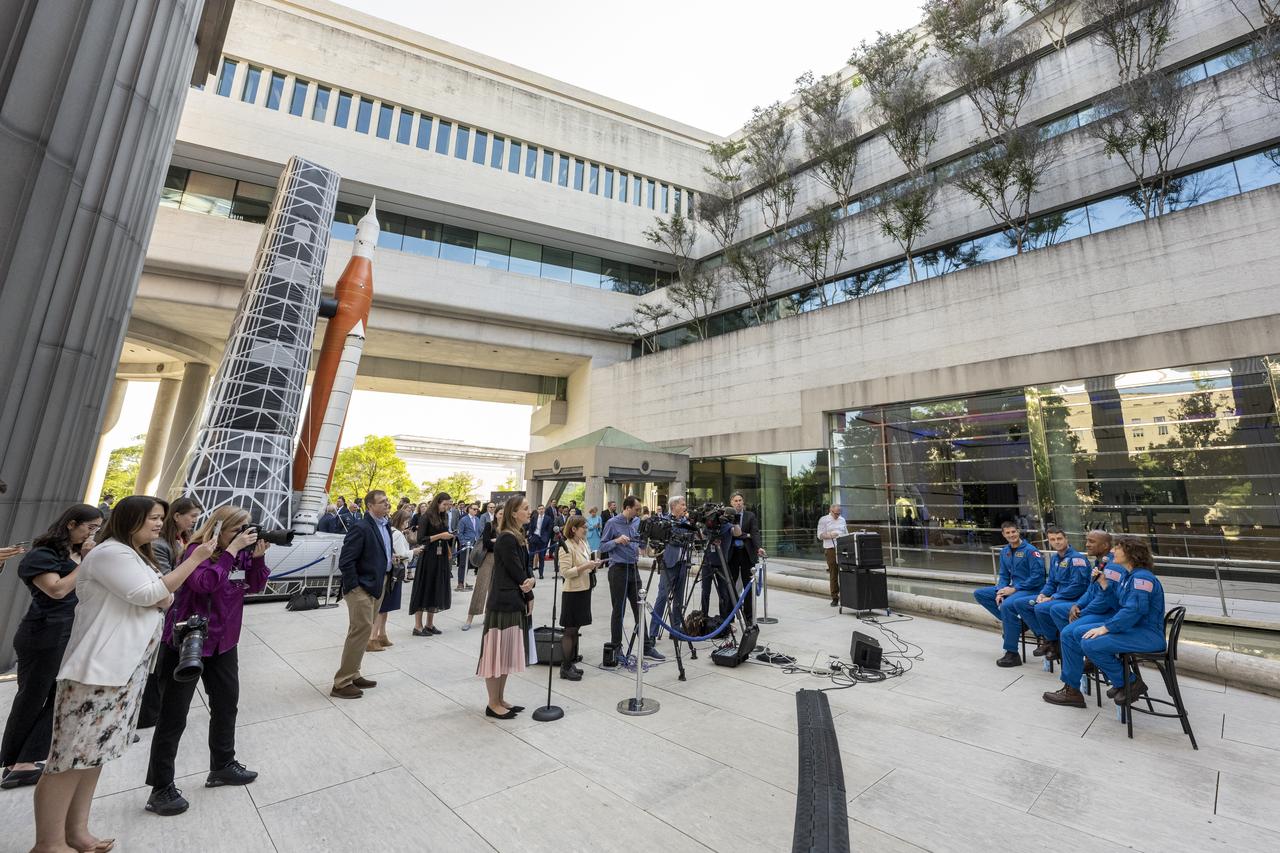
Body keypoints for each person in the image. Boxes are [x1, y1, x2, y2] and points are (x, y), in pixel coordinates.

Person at [31, 496, 202, 853]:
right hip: (96, 671)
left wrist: (160, 592)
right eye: (154, 518)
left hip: (123, 671)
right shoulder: (111, 553)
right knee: (69, 759)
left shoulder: (136, 554)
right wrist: (195, 560)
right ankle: (49, 843)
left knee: (94, 756)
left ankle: (76, 832)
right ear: (131, 519)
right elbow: (153, 594)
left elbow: (164, 598)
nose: (160, 524)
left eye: (161, 518)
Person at [145, 505, 270, 816]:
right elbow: (203, 584)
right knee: (174, 716)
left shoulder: (241, 554)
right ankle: (160, 788)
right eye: (236, 530)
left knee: (227, 705)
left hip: (224, 644)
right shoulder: (195, 552)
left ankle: (223, 765)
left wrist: (256, 559)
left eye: (246, 529)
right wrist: (229, 554)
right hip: (189, 642)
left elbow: (254, 586)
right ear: (218, 529)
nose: (243, 536)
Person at [1, 505, 103, 791]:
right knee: (32, 696)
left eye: (97, 529)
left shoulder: (74, 554)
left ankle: (31, 755)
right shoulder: (43, 555)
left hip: (69, 632)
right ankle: (15, 763)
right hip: (43, 633)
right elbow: (56, 589)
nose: (92, 533)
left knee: (60, 694)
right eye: (89, 527)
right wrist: (86, 562)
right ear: (71, 524)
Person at [1045, 536, 1166, 708]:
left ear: (1131, 554)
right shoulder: (1130, 576)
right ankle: (1075, 688)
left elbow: (1134, 610)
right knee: (1073, 634)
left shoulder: (1142, 579)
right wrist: (1104, 584)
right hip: (1134, 628)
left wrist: (1106, 628)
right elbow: (1118, 604)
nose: (1112, 551)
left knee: (1091, 643)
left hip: (1147, 634)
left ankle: (1129, 682)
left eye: (1118, 548)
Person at [138, 496, 203, 730]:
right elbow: (165, 581)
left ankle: (151, 712)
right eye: (192, 516)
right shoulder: (161, 544)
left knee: (161, 662)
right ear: (177, 516)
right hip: (165, 607)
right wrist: (196, 563)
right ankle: (147, 714)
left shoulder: (181, 540)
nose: (195, 521)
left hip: (174, 609)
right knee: (156, 665)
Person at [476, 495, 536, 719]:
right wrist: (528, 589)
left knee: (505, 655)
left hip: (514, 600)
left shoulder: (518, 536)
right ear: (513, 513)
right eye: (526, 508)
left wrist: (532, 582)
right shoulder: (507, 538)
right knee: (496, 656)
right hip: (503, 603)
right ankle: (493, 703)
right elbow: (516, 571)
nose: (529, 511)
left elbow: (526, 568)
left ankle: (500, 698)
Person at [330, 491, 392, 699]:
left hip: (377, 585)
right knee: (360, 631)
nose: (387, 504)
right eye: (382, 502)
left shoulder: (385, 525)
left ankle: (354, 673)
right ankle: (342, 683)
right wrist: (355, 587)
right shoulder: (361, 526)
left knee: (363, 632)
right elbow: (346, 561)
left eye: (387, 501)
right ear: (369, 506)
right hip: (361, 588)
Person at [972, 520, 1046, 667]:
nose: (1011, 535)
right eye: (1008, 533)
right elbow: (1004, 575)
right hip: (1013, 588)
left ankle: (1011, 653)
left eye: (1014, 532)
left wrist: (1014, 589)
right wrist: (1000, 591)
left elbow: (1038, 577)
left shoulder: (1031, 551)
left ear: (1018, 532)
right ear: (1003, 534)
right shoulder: (1005, 551)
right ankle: (1017, 624)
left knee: (1006, 606)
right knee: (980, 593)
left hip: (1030, 589)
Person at [1011, 526, 1088, 660]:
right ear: (1049, 542)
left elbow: (1078, 586)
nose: (1057, 542)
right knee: (1021, 603)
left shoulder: (1077, 559)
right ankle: (1047, 638)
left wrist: (1052, 597)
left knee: (1041, 608)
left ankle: (1053, 642)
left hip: (1072, 598)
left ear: (1066, 539)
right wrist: (1042, 594)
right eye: (1053, 539)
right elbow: (1051, 582)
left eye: (1059, 538)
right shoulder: (1054, 558)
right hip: (1057, 596)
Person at [1044, 530, 1121, 660]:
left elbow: (1103, 600)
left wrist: (1083, 612)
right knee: (1055, 610)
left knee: (1067, 629)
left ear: (1105, 546)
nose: (1087, 544)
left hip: (1107, 612)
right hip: (1089, 605)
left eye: (1091, 541)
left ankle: (1081, 652)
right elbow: (1090, 590)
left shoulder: (1112, 566)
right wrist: (1077, 605)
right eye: (1087, 540)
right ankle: (1069, 648)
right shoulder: (1100, 562)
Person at [600, 496, 658, 661]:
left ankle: (646, 647)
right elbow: (602, 546)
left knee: (639, 608)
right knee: (618, 610)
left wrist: (643, 546)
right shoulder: (612, 523)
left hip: (634, 569)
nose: (638, 512)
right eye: (636, 509)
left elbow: (640, 542)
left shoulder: (637, 522)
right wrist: (617, 541)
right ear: (627, 507)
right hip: (618, 570)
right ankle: (616, 648)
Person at [646, 497, 697, 658]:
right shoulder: (665, 521)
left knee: (679, 600)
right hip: (669, 564)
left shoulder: (685, 521)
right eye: (682, 504)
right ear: (674, 506)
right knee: (662, 597)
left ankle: (675, 630)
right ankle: (652, 634)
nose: (685, 507)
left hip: (683, 564)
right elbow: (669, 539)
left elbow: (691, 538)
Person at [557, 515, 601, 681]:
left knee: (577, 629)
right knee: (570, 630)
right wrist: (585, 566)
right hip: (572, 592)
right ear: (574, 528)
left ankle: (570, 663)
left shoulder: (583, 542)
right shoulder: (566, 546)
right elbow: (565, 572)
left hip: (584, 589)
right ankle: (565, 666)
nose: (586, 530)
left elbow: (586, 562)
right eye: (584, 527)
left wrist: (593, 564)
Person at [370, 508, 418, 650]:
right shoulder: (396, 534)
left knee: (385, 607)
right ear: (401, 520)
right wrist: (413, 552)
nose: (408, 523)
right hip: (394, 573)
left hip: (391, 573)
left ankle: (381, 635)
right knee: (383, 608)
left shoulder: (392, 531)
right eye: (406, 520)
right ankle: (373, 637)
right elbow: (401, 553)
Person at [410, 492, 454, 636]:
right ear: (437, 502)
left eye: (449, 505)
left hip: (440, 558)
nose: (447, 507)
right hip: (428, 557)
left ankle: (429, 624)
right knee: (424, 589)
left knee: (436, 589)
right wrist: (441, 535)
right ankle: (418, 626)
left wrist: (448, 541)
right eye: (444, 504)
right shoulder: (426, 517)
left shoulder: (444, 516)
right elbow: (421, 539)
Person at [727, 493, 766, 624]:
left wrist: (758, 547)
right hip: (731, 555)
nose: (738, 503)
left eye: (740, 500)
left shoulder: (750, 516)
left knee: (747, 587)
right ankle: (730, 617)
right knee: (730, 586)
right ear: (731, 503)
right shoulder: (727, 516)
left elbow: (754, 533)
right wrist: (745, 535)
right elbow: (728, 534)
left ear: (743, 502)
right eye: (735, 501)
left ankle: (748, 618)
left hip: (746, 554)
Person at [465, 507, 503, 631]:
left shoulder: (508, 527)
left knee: (494, 590)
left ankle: (489, 616)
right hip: (487, 558)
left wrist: (495, 541)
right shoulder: (489, 525)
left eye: (504, 513)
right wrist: (499, 541)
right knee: (480, 587)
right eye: (500, 513)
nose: (502, 515)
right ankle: (469, 619)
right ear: (496, 514)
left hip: (501, 560)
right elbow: (487, 543)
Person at [816, 503, 848, 607]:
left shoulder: (842, 520)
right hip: (830, 548)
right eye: (836, 513)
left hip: (842, 548)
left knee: (845, 571)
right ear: (831, 510)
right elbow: (820, 535)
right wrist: (830, 535)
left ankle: (847, 595)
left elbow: (846, 533)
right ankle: (835, 597)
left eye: (839, 513)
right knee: (834, 573)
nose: (837, 515)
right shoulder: (824, 520)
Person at [454, 503, 482, 592]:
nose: (475, 511)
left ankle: (465, 580)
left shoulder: (477, 519)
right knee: (463, 564)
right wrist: (463, 542)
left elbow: (478, 531)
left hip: (475, 544)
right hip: (466, 545)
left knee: (469, 564)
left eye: (477, 509)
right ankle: (460, 582)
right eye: (474, 509)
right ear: (469, 509)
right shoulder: (463, 520)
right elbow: (460, 532)